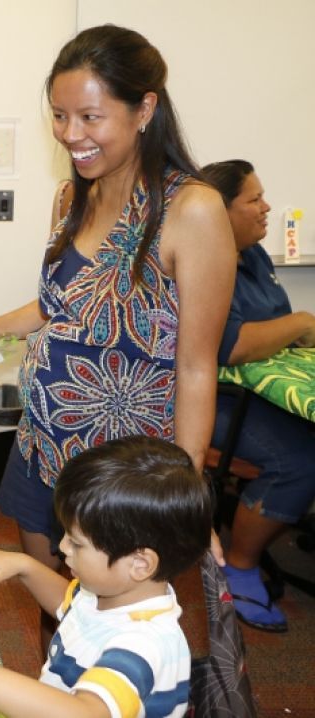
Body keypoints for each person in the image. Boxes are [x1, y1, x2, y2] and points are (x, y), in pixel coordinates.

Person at [0, 25, 234, 573]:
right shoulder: (70, 197)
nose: (70, 135)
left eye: (90, 117)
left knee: (108, 613)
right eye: (59, 115)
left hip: (121, 471)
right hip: (41, 442)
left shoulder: (190, 211)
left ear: (144, 109)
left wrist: (184, 493)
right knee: (51, 600)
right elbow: (58, 306)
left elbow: (195, 368)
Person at [0, 436, 212, 718]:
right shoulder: (113, 594)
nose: (63, 547)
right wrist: (25, 566)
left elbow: (85, 713)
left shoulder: (145, 644)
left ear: (140, 564)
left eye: (77, 543)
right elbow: (72, 605)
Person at [201, 159, 315, 632]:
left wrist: (292, 333)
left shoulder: (255, 255)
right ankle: (241, 566)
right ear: (220, 213)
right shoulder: (206, 265)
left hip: (264, 391)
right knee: (299, 459)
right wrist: (301, 323)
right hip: (217, 398)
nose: (266, 207)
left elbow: (272, 331)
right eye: (254, 199)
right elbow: (232, 347)